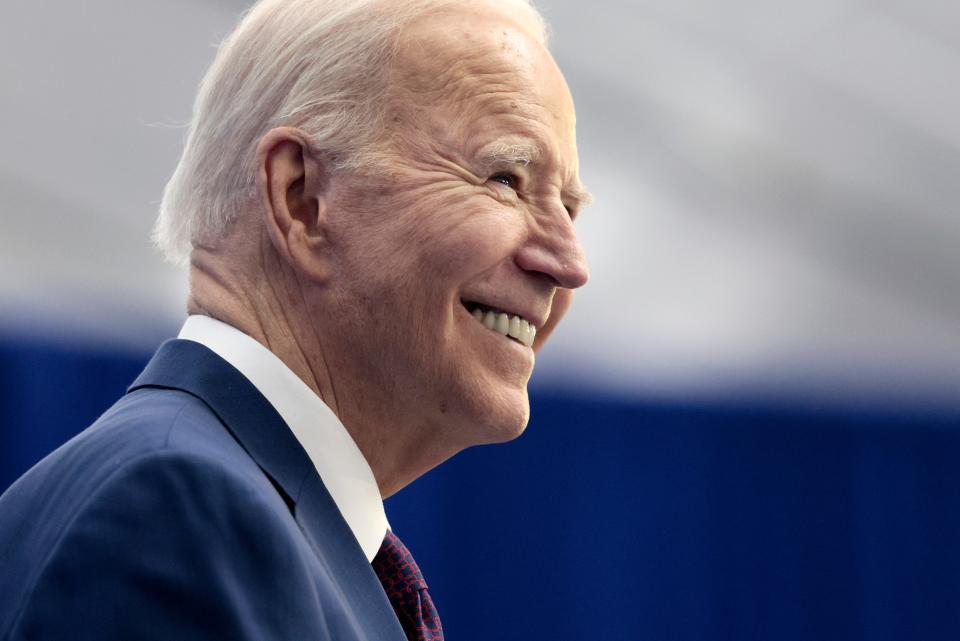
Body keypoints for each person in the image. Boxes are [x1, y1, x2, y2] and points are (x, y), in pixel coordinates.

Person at [0, 0, 590, 639]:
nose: (568, 263)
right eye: (505, 179)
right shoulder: (180, 513)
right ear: (302, 199)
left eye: (569, 207)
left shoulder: (239, 515)